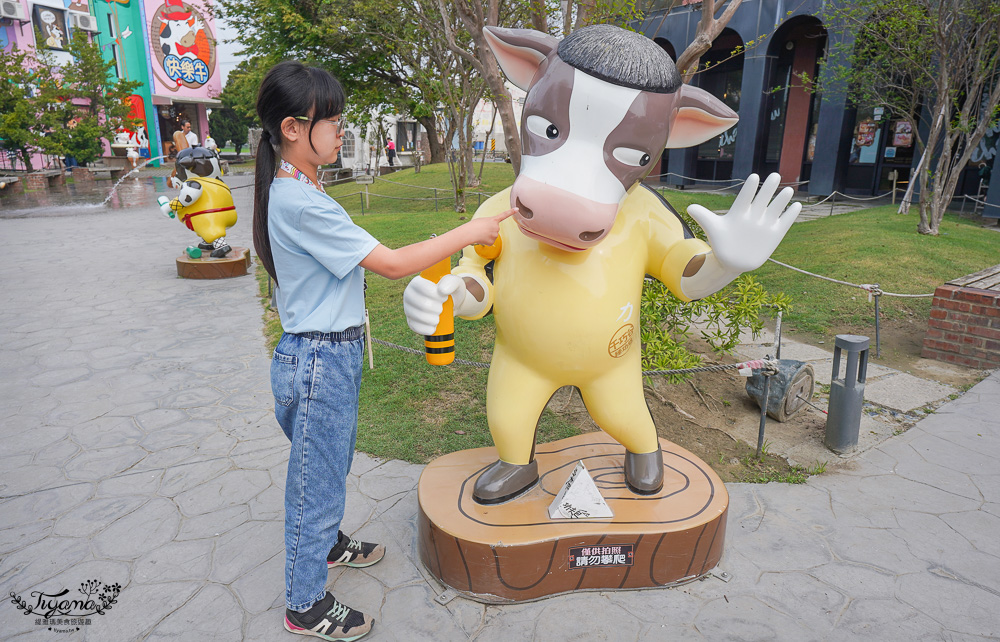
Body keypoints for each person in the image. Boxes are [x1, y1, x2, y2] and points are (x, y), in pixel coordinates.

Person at [252, 60, 515, 641]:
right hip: (318, 360)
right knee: (313, 485)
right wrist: (471, 233)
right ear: (293, 128)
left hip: (327, 356)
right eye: (333, 121)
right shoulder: (301, 201)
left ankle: (330, 544)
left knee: (329, 465)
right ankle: (304, 604)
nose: (342, 130)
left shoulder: (302, 184)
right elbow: (394, 264)